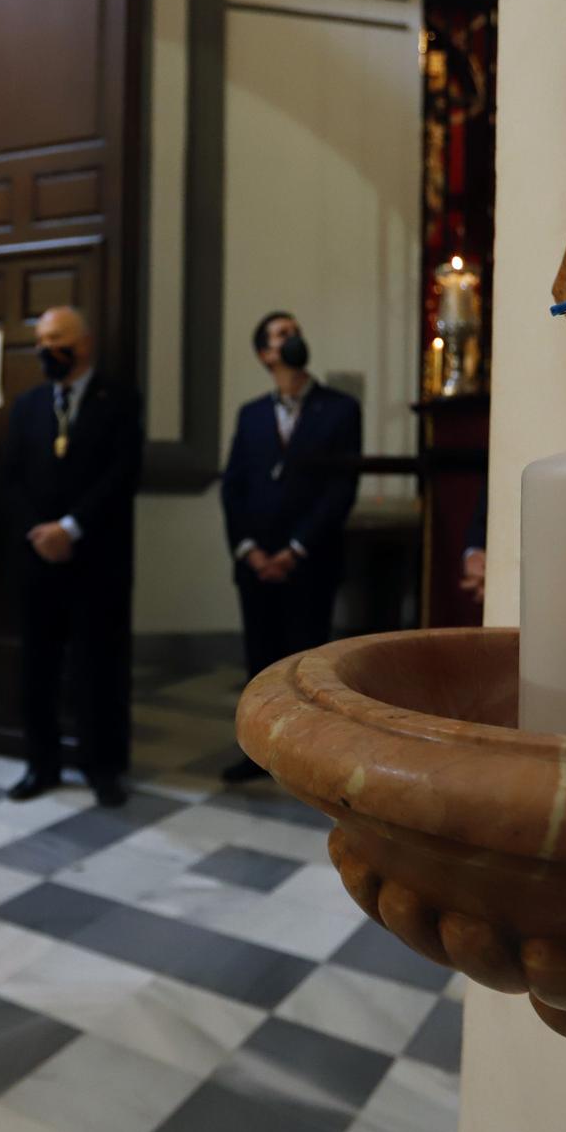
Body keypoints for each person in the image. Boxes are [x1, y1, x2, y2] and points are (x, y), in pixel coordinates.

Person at [1, 305, 143, 808]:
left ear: (82, 344)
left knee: (98, 669)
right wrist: (38, 533)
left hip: (96, 560)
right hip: (38, 561)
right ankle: (40, 765)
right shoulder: (28, 405)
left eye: (54, 338)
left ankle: (102, 768)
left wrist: (71, 527)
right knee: (37, 668)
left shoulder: (121, 402)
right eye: (39, 340)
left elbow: (121, 475)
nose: (44, 349)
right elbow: (12, 479)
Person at [219, 311, 362, 783]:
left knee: (306, 664)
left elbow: (340, 490)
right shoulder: (251, 414)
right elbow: (233, 487)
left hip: (310, 563)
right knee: (259, 660)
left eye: (296, 331)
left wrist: (296, 548)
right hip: (256, 563)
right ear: (265, 354)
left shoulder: (340, 409)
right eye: (282, 335)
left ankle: (306, 759)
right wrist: (249, 550)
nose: (294, 338)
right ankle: (257, 751)